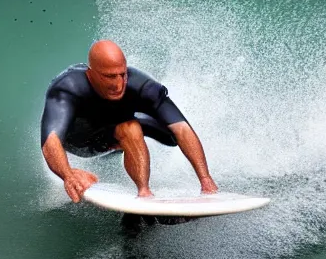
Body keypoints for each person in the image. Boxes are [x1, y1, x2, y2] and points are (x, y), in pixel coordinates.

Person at [40, 40, 218, 206]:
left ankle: (144, 194)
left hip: (113, 131)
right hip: (79, 141)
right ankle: (127, 147)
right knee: (131, 127)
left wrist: (206, 179)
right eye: (109, 76)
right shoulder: (67, 88)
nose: (118, 84)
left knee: (168, 135)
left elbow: (182, 128)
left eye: (122, 74)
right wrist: (68, 174)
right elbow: (51, 141)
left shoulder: (142, 86)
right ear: (90, 73)